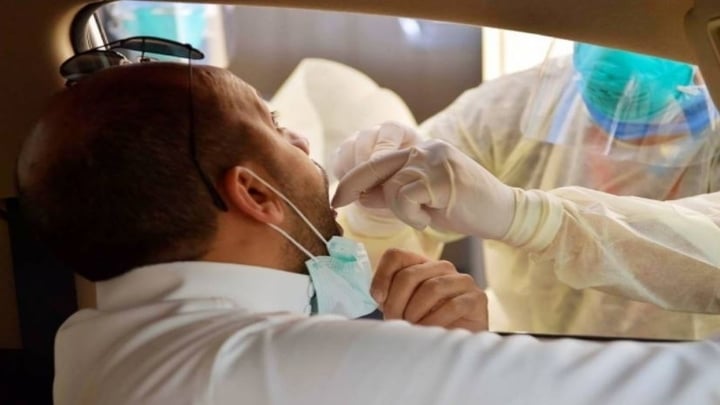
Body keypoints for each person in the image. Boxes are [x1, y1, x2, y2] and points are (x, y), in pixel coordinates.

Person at [17, 59, 720, 405]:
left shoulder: (89, 340)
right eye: (279, 126)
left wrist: (422, 347)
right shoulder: (299, 365)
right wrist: (428, 358)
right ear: (255, 193)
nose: (304, 140)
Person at [332, 43, 720, 340]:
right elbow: (377, 258)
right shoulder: (511, 108)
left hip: (684, 378)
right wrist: (377, 216)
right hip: (529, 362)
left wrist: (531, 219)